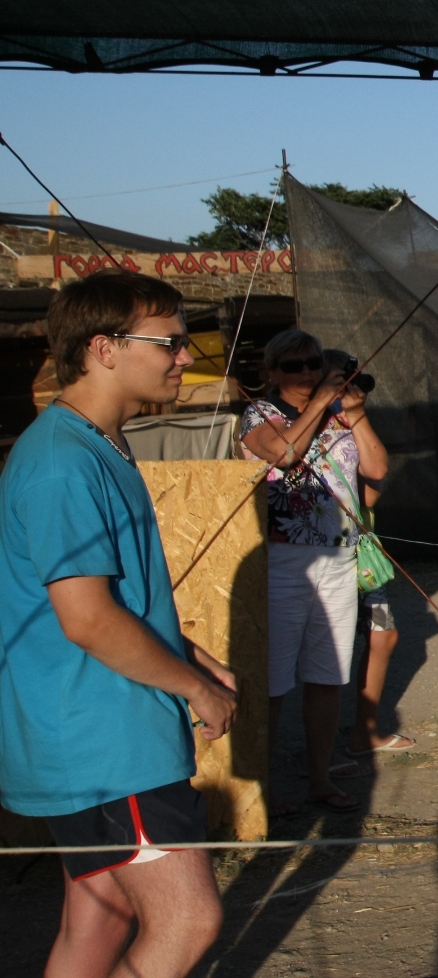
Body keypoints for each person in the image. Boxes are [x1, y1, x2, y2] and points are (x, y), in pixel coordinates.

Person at [0, 271, 238, 978]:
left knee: (97, 921)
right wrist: (194, 688)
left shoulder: (97, 446)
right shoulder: (62, 464)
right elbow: (88, 619)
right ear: (104, 348)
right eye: (169, 342)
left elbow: (108, 600)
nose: (184, 357)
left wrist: (189, 655)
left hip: (101, 733)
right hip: (103, 741)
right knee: (188, 921)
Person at [237, 328, 389, 815]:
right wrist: (320, 400)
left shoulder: (338, 414)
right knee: (275, 678)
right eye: (294, 366)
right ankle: (260, 789)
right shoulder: (260, 414)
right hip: (284, 559)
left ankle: (319, 779)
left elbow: (377, 471)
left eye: (313, 363)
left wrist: (354, 412)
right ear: (272, 372)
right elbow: (284, 453)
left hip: (339, 555)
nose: (306, 372)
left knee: (328, 674)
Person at [319, 349, 415, 761]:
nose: (352, 389)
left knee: (382, 634)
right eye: (343, 381)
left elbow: (375, 477)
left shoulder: (349, 423)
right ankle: (318, 757)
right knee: (321, 657)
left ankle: (365, 731)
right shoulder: (307, 425)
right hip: (318, 552)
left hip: (357, 551)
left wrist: (356, 416)